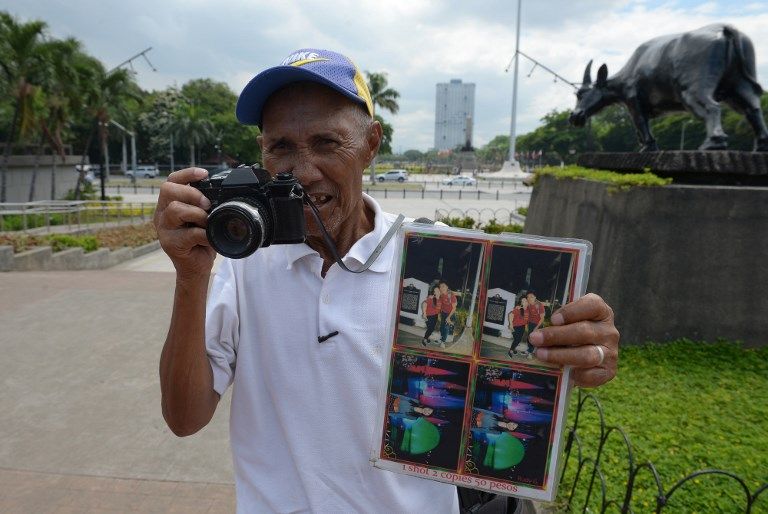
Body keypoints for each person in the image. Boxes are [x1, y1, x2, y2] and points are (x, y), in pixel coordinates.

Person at [154, 48, 620, 513]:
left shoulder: (446, 259)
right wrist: (190, 276)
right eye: (282, 147)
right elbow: (184, 416)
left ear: (371, 144)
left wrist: (575, 353)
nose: (303, 170)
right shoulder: (245, 262)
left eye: (326, 143)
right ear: (262, 153)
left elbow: (508, 385)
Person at [438, 280, 458, 348]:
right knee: (441, 327)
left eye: (443, 286)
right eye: (440, 287)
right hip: (443, 313)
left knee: (446, 327)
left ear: (447, 287)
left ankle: (443, 342)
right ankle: (441, 339)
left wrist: (449, 317)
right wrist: (439, 313)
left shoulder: (452, 296)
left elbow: (454, 308)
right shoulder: (441, 294)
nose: (441, 288)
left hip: (450, 314)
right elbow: (441, 304)